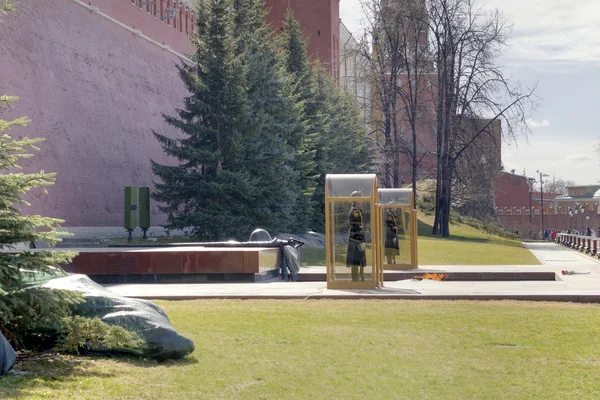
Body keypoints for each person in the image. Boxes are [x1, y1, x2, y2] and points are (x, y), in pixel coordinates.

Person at [346, 191, 367, 282]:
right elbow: (357, 225)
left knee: (359, 258)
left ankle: (359, 278)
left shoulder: (358, 209)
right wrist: (361, 239)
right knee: (356, 259)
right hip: (356, 237)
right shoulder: (355, 210)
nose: (362, 199)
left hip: (356, 237)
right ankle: (356, 279)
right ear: (356, 199)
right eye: (360, 197)